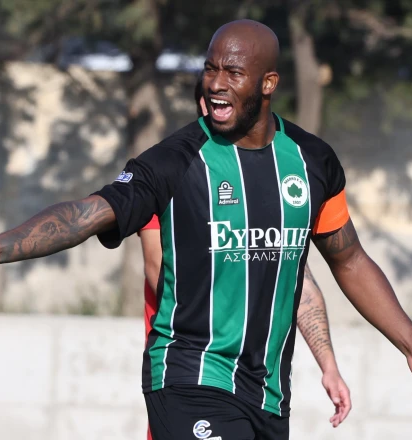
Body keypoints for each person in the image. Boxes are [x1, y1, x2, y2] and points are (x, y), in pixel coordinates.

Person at [0, 19, 412, 440]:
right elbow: (89, 213)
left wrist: (411, 344)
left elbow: (348, 260)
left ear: (268, 83)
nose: (216, 83)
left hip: (269, 394)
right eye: (210, 69)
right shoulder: (174, 161)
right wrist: (0, 246)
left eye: (233, 73)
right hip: (189, 377)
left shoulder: (313, 162)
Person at [138, 77, 351, 435]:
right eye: (210, 100)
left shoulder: (268, 179)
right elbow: (157, 267)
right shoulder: (175, 172)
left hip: (261, 387)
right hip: (191, 375)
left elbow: (295, 279)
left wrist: (328, 365)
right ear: (201, 107)